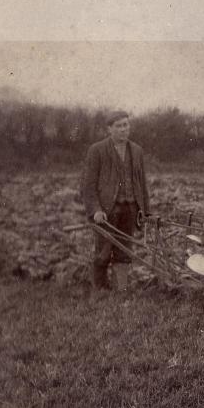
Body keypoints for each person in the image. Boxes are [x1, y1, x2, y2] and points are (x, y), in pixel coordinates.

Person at [81, 110, 151, 290]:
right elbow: (88, 185)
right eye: (118, 126)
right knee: (103, 252)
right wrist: (95, 209)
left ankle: (122, 291)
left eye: (126, 125)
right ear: (109, 129)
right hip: (106, 210)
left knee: (125, 251)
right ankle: (101, 290)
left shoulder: (137, 151)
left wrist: (146, 211)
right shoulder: (97, 150)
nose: (123, 129)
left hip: (130, 209)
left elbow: (141, 184)